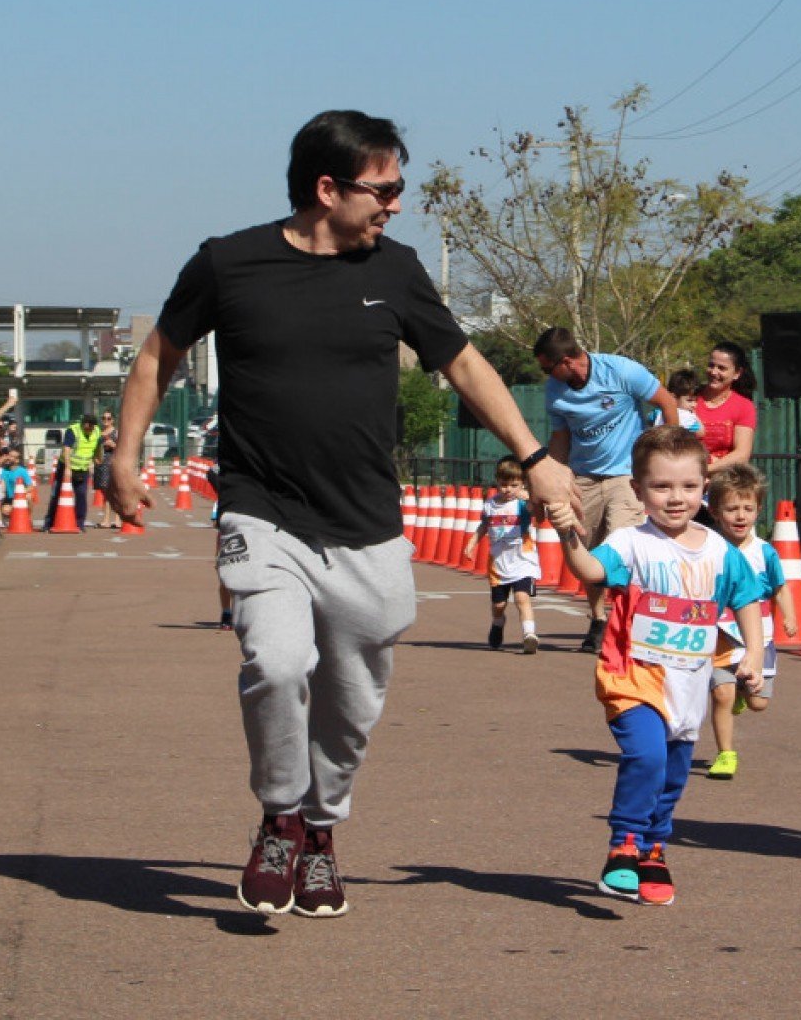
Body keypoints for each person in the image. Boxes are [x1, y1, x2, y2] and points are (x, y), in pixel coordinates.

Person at [110, 108, 575, 919]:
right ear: (328, 189)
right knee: (277, 663)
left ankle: (322, 830)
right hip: (263, 511)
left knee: (353, 702)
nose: (397, 205)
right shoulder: (228, 263)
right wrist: (124, 454)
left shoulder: (394, 271)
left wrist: (535, 459)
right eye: (385, 189)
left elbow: (463, 364)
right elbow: (159, 354)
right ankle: (281, 816)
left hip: (368, 522)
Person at [546, 425, 765, 906]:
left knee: (672, 775)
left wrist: (753, 653)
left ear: (705, 487)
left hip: (689, 687)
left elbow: (747, 597)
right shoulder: (631, 542)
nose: (675, 498)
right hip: (632, 678)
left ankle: (653, 851)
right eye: (661, 486)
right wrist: (567, 532)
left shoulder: (717, 549)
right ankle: (623, 846)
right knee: (645, 756)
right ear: (637, 489)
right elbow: (589, 571)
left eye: (688, 486)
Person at [535, 327, 676, 654]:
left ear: (568, 361)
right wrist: (553, 479)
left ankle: (627, 621)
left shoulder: (620, 371)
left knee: (624, 545)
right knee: (588, 553)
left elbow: (666, 402)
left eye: (547, 368)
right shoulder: (556, 391)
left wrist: (669, 453)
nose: (546, 375)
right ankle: (598, 617)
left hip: (625, 475)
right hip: (583, 476)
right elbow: (560, 438)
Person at [702, 461, 795, 779]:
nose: (740, 516)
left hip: (759, 636)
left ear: (757, 510)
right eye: (731, 509)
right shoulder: (709, 549)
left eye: (747, 508)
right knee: (721, 694)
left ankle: (745, 694)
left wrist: (790, 615)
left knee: (758, 703)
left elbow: (780, 587)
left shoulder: (765, 552)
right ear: (714, 511)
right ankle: (725, 754)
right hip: (720, 635)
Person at [462, 457, 538, 654]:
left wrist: (529, 496)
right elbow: (484, 526)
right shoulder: (490, 505)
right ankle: (498, 623)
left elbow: (537, 508)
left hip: (523, 559)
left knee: (522, 598)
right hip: (498, 563)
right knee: (499, 604)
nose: (508, 489)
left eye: (514, 485)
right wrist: (472, 543)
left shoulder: (523, 503)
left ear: (522, 483)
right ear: (497, 481)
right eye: (504, 484)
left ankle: (529, 635)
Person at [692, 341, 758, 470]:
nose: (714, 372)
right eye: (711, 365)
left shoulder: (744, 406)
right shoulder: (690, 399)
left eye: (721, 368)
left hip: (723, 482)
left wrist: (706, 470)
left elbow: (742, 454)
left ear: (737, 373)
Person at [63, 412, 104, 531]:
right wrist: (67, 467)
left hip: (83, 469)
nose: (89, 428)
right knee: (57, 495)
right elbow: (67, 449)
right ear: (83, 424)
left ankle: (79, 523)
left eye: (91, 426)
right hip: (69, 468)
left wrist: (98, 458)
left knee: (81, 495)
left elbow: (98, 446)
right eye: (87, 425)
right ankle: (49, 523)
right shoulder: (74, 430)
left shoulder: (96, 432)